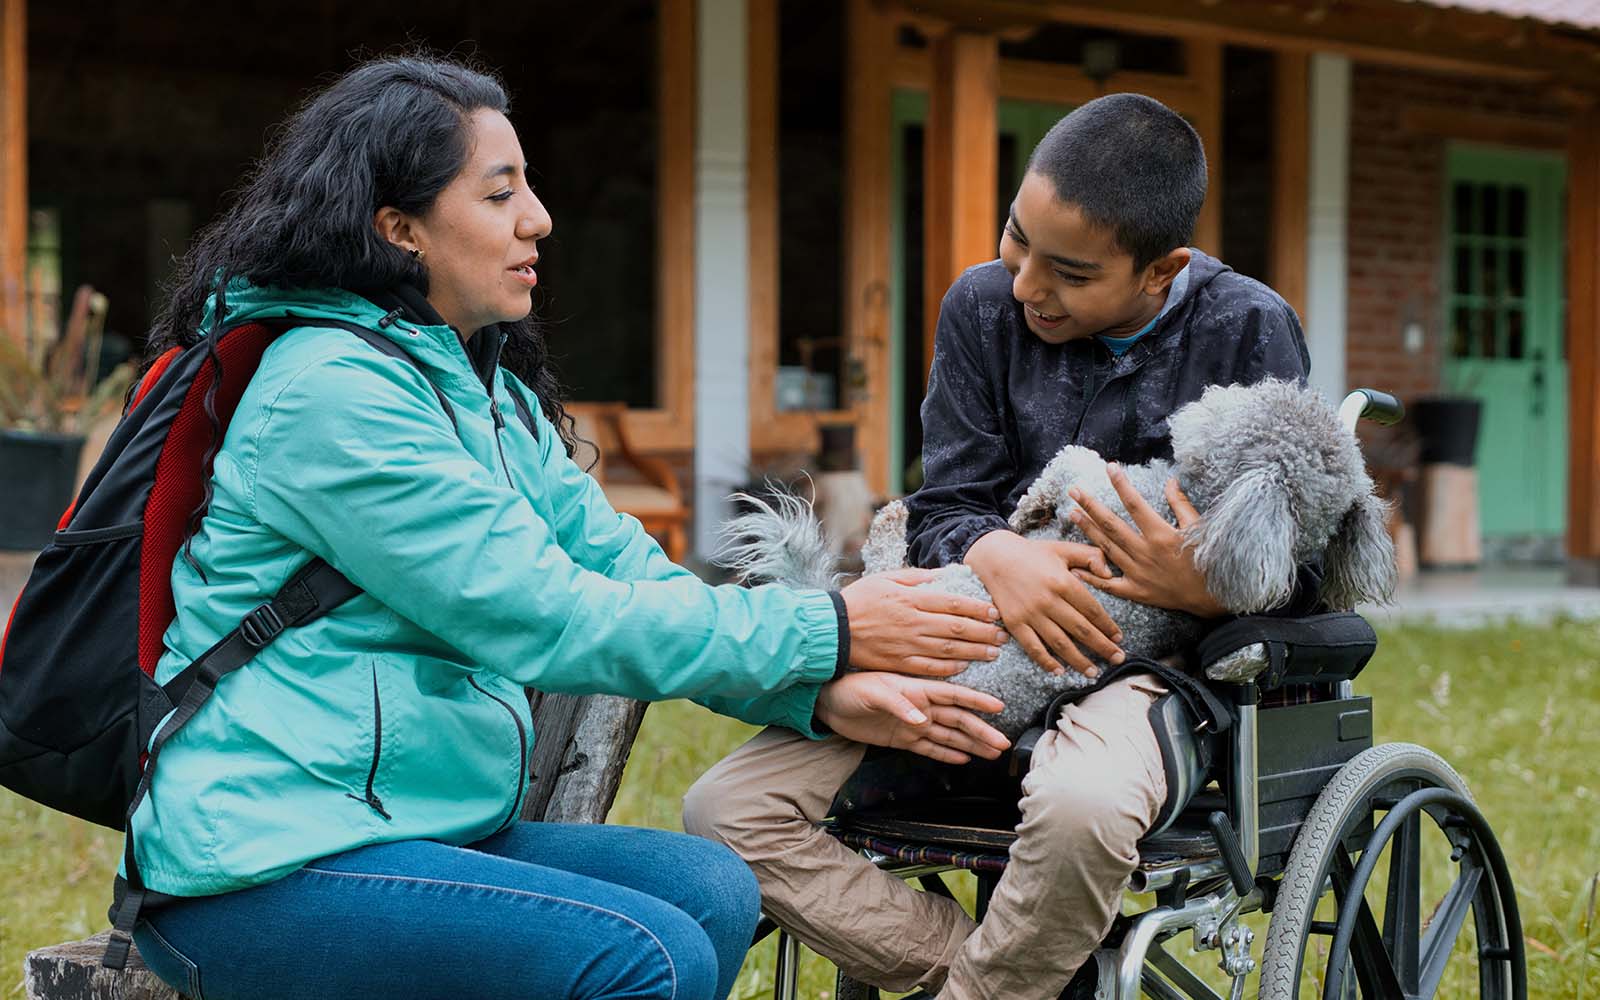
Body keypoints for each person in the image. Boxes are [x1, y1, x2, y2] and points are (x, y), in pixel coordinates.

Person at [122, 54, 1013, 1000]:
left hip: (406, 826)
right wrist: (828, 630)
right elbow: (544, 613)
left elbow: (621, 567)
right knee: (644, 954)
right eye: (500, 192)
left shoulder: (478, 390)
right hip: (269, 858)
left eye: (528, 187)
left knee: (710, 887)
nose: (537, 216)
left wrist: (809, 692)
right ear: (400, 229)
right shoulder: (333, 396)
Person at [684, 93, 1311, 999]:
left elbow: (1298, 556)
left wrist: (1204, 587)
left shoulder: (1247, 328)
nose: (1027, 286)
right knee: (728, 810)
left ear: (1159, 270)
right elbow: (945, 500)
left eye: (1069, 272)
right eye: (1016, 238)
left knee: (1084, 810)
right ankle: (1022, 979)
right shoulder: (983, 306)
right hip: (972, 634)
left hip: (1152, 666)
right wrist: (996, 553)